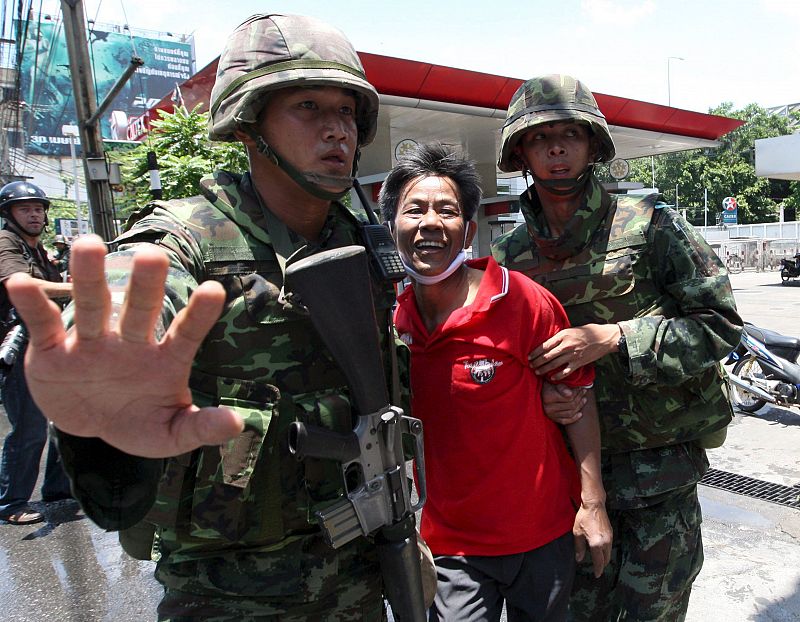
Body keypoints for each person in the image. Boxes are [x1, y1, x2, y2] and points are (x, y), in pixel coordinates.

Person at [5, 14, 409, 620]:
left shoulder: (361, 239)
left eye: (348, 111)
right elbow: (140, 281)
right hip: (230, 589)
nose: (338, 130)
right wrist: (107, 351)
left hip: (357, 567)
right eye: (308, 106)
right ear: (250, 126)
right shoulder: (188, 234)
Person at [491, 75, 742, 621]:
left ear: (592, 144)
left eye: (569, 135)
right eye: (540, 138)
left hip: (659, 477)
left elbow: (720, 326)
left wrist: (615, 339)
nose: (556, 149)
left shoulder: (651, 224)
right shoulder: (509, 255)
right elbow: (505, 365)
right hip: (566, 482)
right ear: (520, 152)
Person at [380, 143, 612, 621]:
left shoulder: (523, 300)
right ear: (392, 229)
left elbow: (578, 400)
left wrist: (593, 504)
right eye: (414, 210)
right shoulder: (388, 327)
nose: (429, 223)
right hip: (451, 552)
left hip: (542, 539)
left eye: (446, 210)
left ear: (467, 229)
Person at [0, 181, 73, 525]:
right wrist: (80, 286)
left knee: (65, 418)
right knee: (30, 430)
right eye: (24, 209)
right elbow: (23, 286)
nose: (33, 215)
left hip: (47, 346)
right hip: (18, 350)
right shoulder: (5, 243)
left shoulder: (39, 250)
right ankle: (12, 504)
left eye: (38, 209)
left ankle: (58, 490)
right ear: (9, 214)